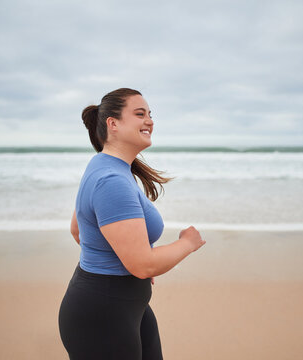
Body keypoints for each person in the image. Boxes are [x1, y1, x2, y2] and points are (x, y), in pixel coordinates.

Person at [58, 88, 206, 359]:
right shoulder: (111, 181)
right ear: (113, 124)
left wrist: (127, 259)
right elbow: (143, 264)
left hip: (123, 306)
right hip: (103, 315)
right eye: (140, 114)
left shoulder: (106, 166)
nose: (149, 120)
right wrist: (187, 243)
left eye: (150, 114)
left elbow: (78, 229)